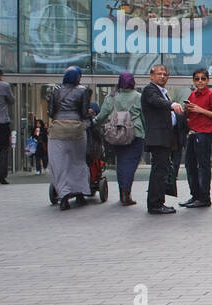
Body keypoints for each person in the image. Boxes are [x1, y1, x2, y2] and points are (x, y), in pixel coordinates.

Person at [46, 66, 94, 210]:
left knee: (59, 164)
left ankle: (64, 195)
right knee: (78, 162)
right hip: (77, 130)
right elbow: (84, 112)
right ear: (78, 77)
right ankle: (80, 193)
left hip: (57, 130)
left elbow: (50, 112)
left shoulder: (54, 91)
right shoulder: (84, 90)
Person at [94, 71, 145, 206]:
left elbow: (103, 114)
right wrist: (146, 131)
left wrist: (93, 123)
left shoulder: (112, 97)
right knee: (131, 164)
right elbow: (144, 116)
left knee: (121, 163)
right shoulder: (139, 97)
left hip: (117, 134)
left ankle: (123, 191)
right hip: (135, 133)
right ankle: (126, 194)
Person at [141, 64, 184, 214]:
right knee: (159, 171)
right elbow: (156, 102)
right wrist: (172, 105)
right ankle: (155, 204)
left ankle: (158, 201)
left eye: (165, 74)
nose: (162, 76)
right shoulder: (150, 90)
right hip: (158, 138)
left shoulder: (162, 92)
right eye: (159, 74)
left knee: (161, 170)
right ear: (151, 76)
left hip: (165, 137)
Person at [180, 68, 212, 208]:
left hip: (204, 133)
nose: (200, 81)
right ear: (193, 81)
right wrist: (187, 110)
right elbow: (188, 115)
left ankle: (204, 197)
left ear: (208, 80)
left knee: (203, 166)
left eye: (203, 78)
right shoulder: (193, 94)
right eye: (197, 79)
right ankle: (195, 195)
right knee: (190, 165)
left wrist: (200, 110)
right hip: (192, 132)